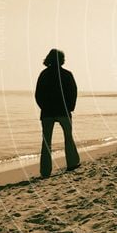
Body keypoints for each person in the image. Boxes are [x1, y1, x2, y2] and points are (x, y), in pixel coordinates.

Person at [35, 48, 80, 178]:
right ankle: (72, 163)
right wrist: (70, 108)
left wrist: (43, 107)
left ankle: (45, 171)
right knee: (68, 138)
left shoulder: (44, 74)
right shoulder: (67, 74)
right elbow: (73, 92)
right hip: (63, 111)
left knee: (46, 141)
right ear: (61, 60)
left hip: (47, 112)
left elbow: (38, 94)